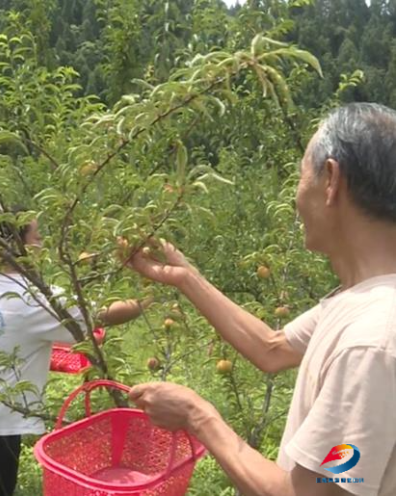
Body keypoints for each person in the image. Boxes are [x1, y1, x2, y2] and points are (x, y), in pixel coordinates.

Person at [126, 102, 396, 496]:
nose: (296, 197)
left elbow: (302, 494)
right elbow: (271, 348)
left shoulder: (371, 341)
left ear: (331, 180)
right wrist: (185, 278)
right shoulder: (363, 301)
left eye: (302, 175)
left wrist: (196, 414)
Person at [0, 213, 153, 496]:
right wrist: (151, 292)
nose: (42, 243)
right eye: (37, 237)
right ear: (17, 244)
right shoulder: (34, 297)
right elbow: (102, 315)